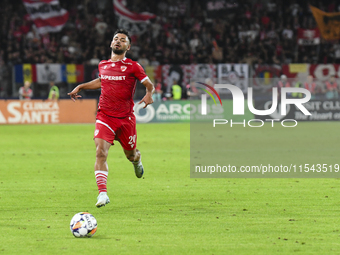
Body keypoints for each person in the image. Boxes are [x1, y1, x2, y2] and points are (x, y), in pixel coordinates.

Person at [68, 29, 154, 208]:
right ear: (110, 43)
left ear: (128, 46)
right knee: (100, 152)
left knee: (130, 154)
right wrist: (81, 86)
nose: (118, 41)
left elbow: (148, 83)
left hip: (125, 118)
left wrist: (149, 94)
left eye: (122, 40)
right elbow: (102, 81)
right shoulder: (103, 65)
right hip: (105, 116)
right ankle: (103, 194)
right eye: (116, 39)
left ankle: (136, 161)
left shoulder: (133, 66)